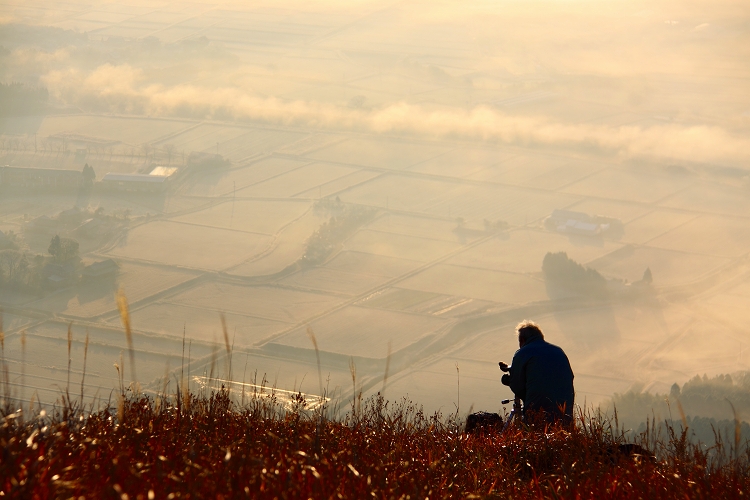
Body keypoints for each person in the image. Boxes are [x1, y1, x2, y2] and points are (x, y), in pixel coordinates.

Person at [499, 320, 574, 425]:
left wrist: (510, 381)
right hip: (565, 414)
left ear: (522, 340)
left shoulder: (522, 353)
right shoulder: (558, 351)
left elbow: (518, 387)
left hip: (538, 415)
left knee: (532, 436)